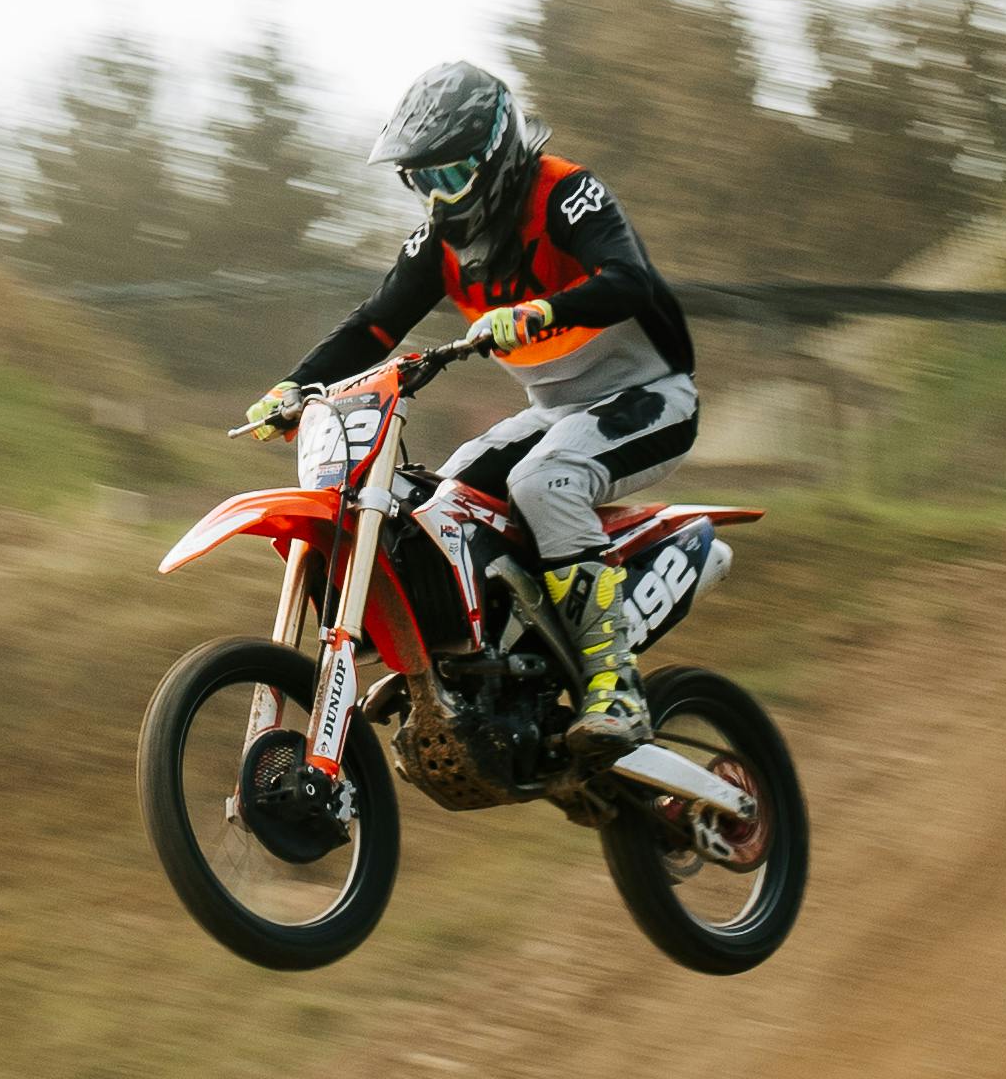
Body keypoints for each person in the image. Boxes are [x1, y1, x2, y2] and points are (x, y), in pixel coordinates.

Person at [249, 59, 704, 744]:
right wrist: (295, 384)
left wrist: (544, 310)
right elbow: (374, 324)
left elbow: (629, 280)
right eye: (422, 181)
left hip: (649, 396)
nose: (438, 198)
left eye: (450, 176)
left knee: (543, 481)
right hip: (557, 412)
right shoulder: (441, 243)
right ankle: (467, 667)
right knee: (445, 500)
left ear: (496, 156)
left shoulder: (565, 194)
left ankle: (618, 687)